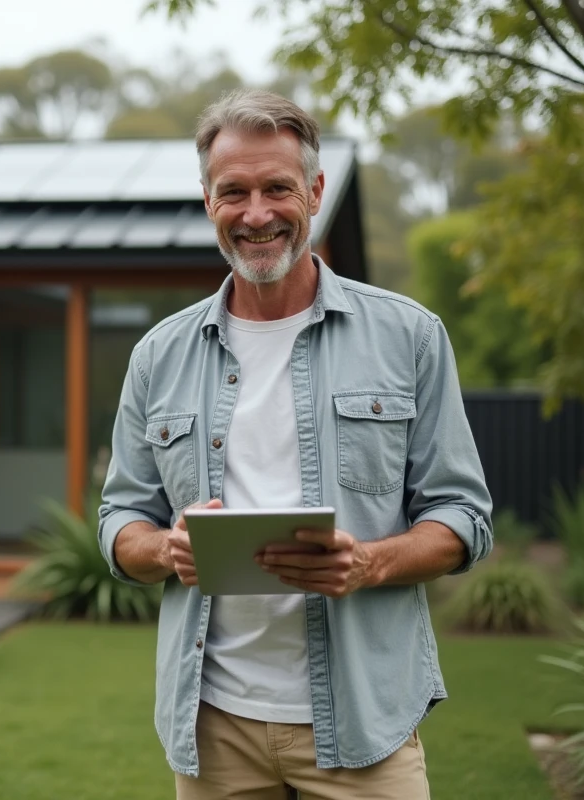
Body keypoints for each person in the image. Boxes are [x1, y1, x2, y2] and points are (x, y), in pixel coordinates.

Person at [96, 88, 494, 800]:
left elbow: (463, 517)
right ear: (208, 201)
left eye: (277, 188)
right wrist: (164, 549)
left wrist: (368, 563)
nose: (256, 214)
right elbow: (119, 520)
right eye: (234, 192)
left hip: (366, 725)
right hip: (213, 730)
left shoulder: (410, 337)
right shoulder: (158, 355)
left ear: (314, 191)